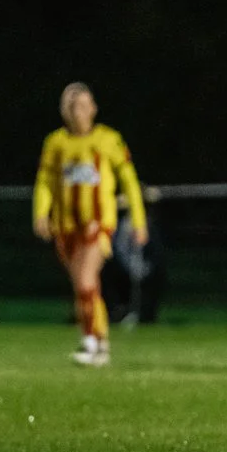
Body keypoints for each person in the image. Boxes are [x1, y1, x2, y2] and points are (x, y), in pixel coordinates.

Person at [31, 82, 147, 367]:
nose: (78, 112)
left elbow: (129, 182)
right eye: (72, 106)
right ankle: (99, 344)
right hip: (65, 226)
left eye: (83, 105)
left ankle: (91, 341)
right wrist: (41, 214)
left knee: (85, 280)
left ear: (93, 108)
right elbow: (45, 183)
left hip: (98, 224)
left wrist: (138, 220)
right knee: (85, 287)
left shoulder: (108, 140)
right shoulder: (56, 143)